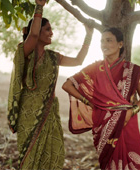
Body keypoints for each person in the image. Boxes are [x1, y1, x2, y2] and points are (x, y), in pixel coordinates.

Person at [6, 0, 94, 169]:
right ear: (38, 32)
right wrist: (39, 6)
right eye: (48, 29)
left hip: (49, 113)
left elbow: (78, 60)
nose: (52, 33)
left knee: (53, 152)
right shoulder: (25, 53)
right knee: (30, 156)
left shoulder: (53, 57)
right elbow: (32, 36)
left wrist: (88, 35)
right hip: (29, 114)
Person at [62, 27, 140, 170]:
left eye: (109, 40)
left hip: (128, 122)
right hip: (103, 122)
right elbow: (67, 85)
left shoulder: (132, 70)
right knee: (109, 163)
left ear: (120, 44)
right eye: (102, 41)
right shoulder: (95, 68)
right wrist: (89, 102)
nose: (104, 44)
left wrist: (130, 112)